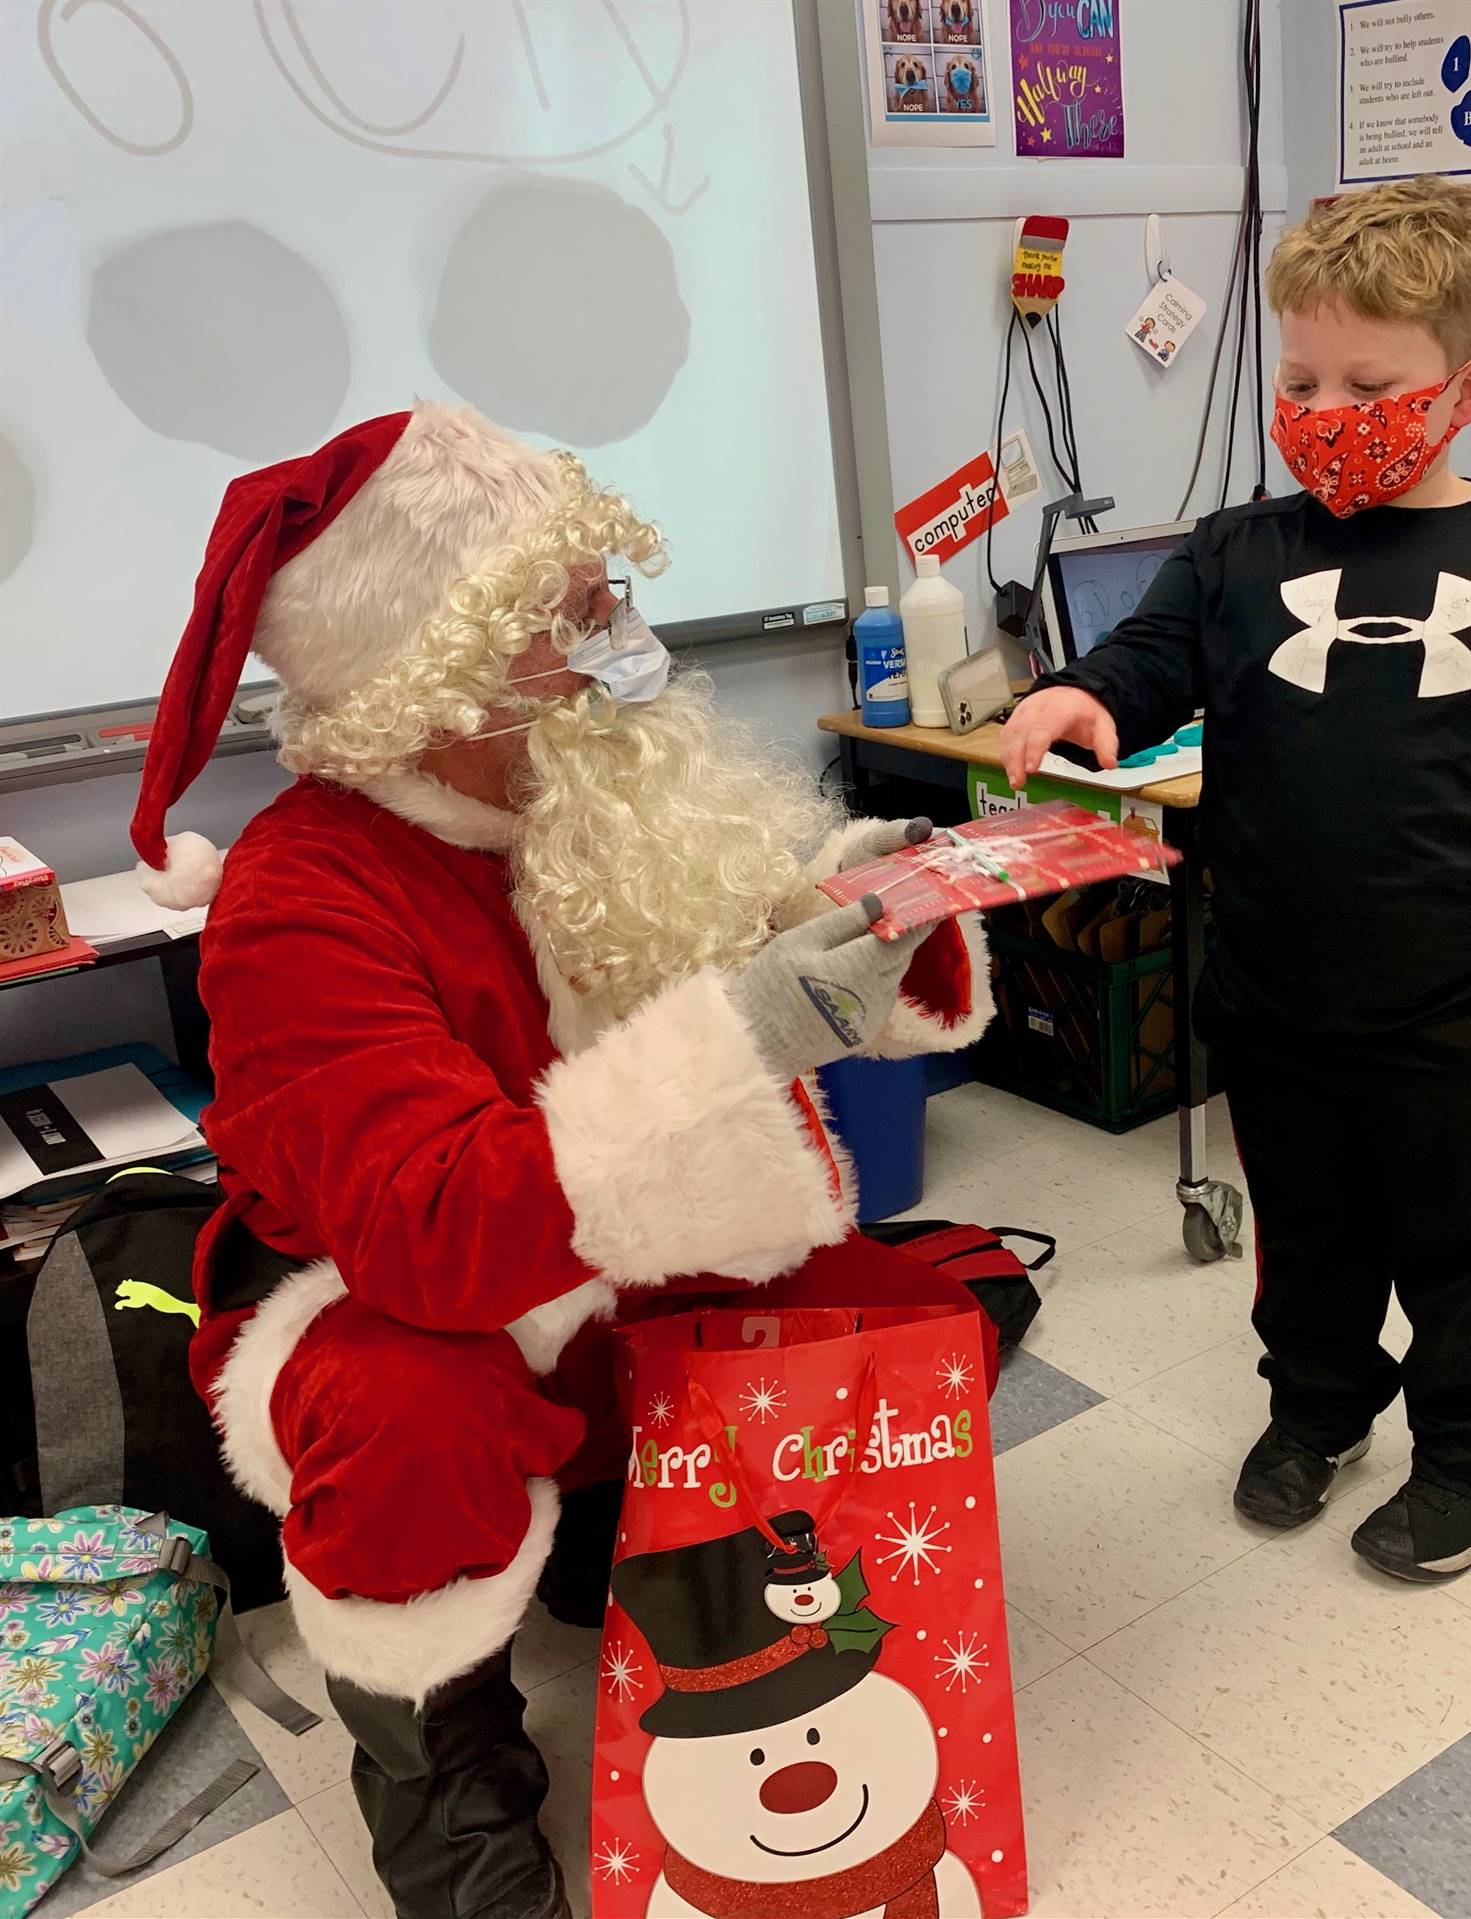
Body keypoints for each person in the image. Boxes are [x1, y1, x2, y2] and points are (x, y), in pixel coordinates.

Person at [129, 403, 994, 1919]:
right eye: (579, 610)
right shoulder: (297, 896)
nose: (622, 635)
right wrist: (753, 1028)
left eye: (611, 593)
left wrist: (870, 921)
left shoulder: (593, 796)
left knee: (900, 1322)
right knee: (414, 1416)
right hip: (390, 1302)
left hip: (619, 1261)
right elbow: (433, 1235)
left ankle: (640, 1532)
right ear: (439, 671)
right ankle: (443, 1765)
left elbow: (746, 966)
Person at [1001, 177, 1471, 1582]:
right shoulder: (1240, 548)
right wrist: (1082, 696)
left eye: (1370, 380)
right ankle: (1320, 1410)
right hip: (1273, 984)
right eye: (1301, 378)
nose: (1324, 407)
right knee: (1305, 1243)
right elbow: (1150, 657)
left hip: (1468, 994)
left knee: (1459, 1254)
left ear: (1465, 386)